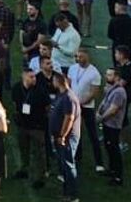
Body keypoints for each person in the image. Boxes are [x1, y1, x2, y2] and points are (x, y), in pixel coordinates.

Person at [49, 71, 81, 202]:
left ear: (58, 81)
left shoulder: (68, 97)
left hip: (67, 138)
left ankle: (72, 196)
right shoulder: (61, 95)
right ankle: (66, 192)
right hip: (60, 137)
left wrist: (62, 135)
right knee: (64, 165)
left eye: (54, 80)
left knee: (68, 165)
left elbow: (69, 118)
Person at [99, 69, 129, 187]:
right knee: (109, 147)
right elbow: (104, 102)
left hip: (113, 125)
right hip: (108, 124)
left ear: (117, 77)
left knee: (114, 149)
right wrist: (99, 112)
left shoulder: (119, 92)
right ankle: (111, 170)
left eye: (110, 75)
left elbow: (113, 109)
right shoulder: (112, 89)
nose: (107, 76)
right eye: (106, 74)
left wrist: (101, 118)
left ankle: (118, 176)